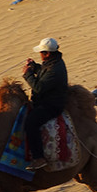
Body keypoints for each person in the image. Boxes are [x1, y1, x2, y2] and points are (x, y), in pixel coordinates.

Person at [22, 37, 69, 170]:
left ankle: (39, 158)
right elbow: (43, 72)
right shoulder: (52, 63)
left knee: (31, 123)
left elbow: (39, 87)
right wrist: (34, 67)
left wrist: (27, 75)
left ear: (47, 53)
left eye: (41, 52)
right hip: (45, 101)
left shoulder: (55, 69)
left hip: (51, 105)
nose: (40, 55)